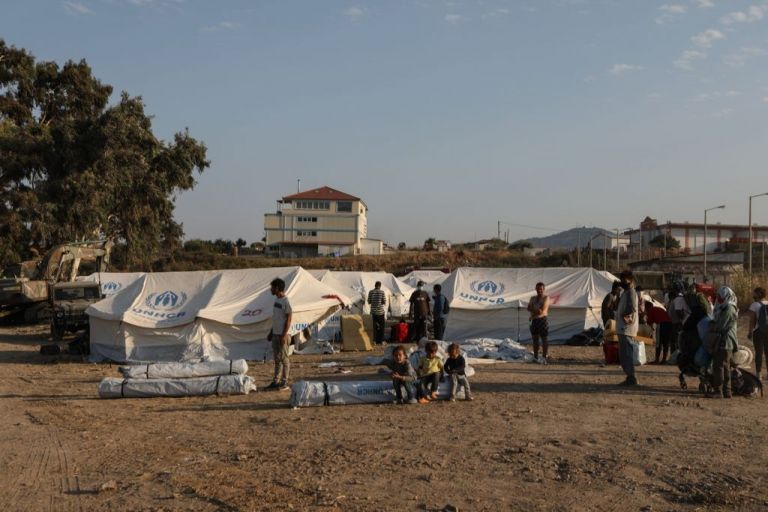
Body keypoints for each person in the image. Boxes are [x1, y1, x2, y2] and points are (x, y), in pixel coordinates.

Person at [708, 286, 739, 399]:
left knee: (719, 366)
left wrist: (712, 326)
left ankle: (718, 391)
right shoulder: (726, 307)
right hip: (726, 341)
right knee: (725, 366)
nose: (719, 300)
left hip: (726, 342)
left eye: (721, 298)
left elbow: (721, 326)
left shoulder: (729, 309)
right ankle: (727, 391)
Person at [266, 278, 292, 391]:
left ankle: (285, 382)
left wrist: (283, 335)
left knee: (284, 359)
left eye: (272, 287)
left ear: (277, 288)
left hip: (282, 335)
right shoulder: (277, 300)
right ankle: (276, 381)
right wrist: (271, 332)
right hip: (276, 334)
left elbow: (289, 319)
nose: (271, 289)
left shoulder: (286, 301)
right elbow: (277, 319)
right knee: (277, 359)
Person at [616, 270, 639, 386]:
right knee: (624, 354)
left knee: (627, 354)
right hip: (623, 328)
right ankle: (630, 376)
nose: (623, 282)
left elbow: (632, 308)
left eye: (625, 280)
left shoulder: (631, 293)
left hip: (626, 329)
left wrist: (623, 316)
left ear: (631, 280)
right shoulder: (625, 292)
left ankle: (631, 377)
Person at [747, 287, 768, 380]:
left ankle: (758, 374)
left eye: (754, 293)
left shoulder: (754, 305)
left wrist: (750, 332)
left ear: (759, 294)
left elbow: (752, 320)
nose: (753, 294)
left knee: (759, 353)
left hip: (758, 331)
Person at [527, 282, 550, 363]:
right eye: (537, 289)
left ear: (543, 289)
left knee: (544, 339)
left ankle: (544, 357)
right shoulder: (532, 298)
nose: (539, 290)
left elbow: (542, 311)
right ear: (535, 289)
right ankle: (535, 356)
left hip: (542, 319)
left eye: (540, 289)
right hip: (534, 320)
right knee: (535, 339)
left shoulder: (546, 298)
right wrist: (536, 310)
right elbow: (528, 308)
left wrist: (533, 310)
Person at [645, 300, 673, 364]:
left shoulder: (650, 310)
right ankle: (664, 359)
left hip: (661, 324)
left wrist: (652, 330)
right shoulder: (658, 308)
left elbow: (649, 322)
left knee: (659, 343)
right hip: (669, 324)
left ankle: (657, 360)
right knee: (666, 342)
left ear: (647, 307)